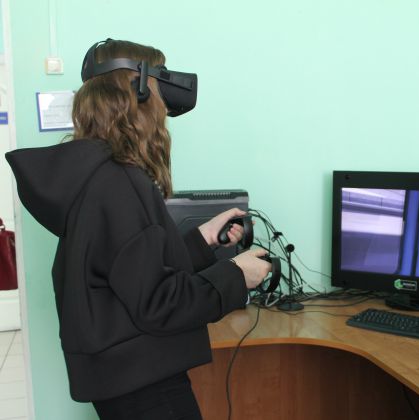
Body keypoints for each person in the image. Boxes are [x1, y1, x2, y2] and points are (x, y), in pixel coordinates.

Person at [5, 39, 271, 419]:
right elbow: (159, 304)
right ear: (140, 93)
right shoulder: (118, 182)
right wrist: (236, 275)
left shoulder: (93, 176)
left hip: (120, 377)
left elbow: (130, 272)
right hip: (143, 383)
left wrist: (203, 239)